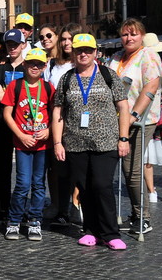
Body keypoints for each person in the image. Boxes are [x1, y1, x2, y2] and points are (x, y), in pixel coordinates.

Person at [52, 34, 129, 250]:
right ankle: (91, 230)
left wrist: (123, 138)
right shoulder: (67, 78)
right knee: (84, 188)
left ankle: (111, 233)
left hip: (105, 141)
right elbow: (58, 110)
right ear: (73, 53)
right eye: (79, 50)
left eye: (87, 50)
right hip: (76, 142)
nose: (83, 54)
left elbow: (123, 107)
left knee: (102, 185)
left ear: (95, 52)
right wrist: (58, 142)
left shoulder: (108, 75)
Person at [107, 18, 162, 234]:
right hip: (118, 118)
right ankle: (135, 213)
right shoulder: (117, 57)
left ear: (142, 35)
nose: (129, 38)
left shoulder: (148, 55)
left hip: (141, 120)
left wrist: (133, 115)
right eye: (125, 34)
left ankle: (143, 216)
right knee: (125, 168)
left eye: (133, 34)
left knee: (133, 168)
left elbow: (151, 85)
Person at [1, 48, 54, 241]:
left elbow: (55, 115)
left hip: (42, 145)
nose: (35, 67)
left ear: (44, 66)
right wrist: (21, 135)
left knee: (39, 184)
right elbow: (7, 113)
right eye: (32, 63)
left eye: (39, 64)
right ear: (24, 64)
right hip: (23, 144)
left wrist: (49, 131)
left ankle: (34, 221)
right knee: (23, 184)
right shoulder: (15, 85)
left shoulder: (48, 87)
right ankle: (14, 221)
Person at [0, 28, 26, 226]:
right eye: (9, 45)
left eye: (15, 45)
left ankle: (20, 206)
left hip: (25, 124)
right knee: (1, 168)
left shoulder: (29, 67)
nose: (12, 48)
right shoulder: (0, 69)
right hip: (2, 123)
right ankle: (0, 205)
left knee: (24, 170)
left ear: (23, 45)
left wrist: (7, 97)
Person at [143, 33, 162, 202]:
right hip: (161, 119)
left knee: (147, 158)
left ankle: (151, 192)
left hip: (145, 117)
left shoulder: (140, 66)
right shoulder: (161, 69)